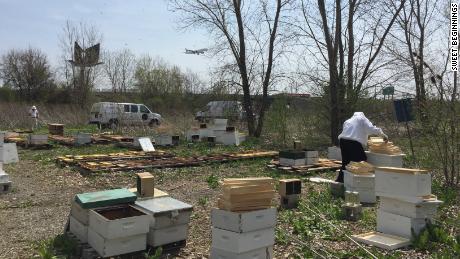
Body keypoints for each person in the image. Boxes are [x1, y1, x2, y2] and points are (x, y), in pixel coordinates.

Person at [336, 112, 388, 183]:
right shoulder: (362, 119)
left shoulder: (348, 121)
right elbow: (371, 129)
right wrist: (382, 134)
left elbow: (353, 132)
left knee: (346, 162)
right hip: (353, 142)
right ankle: (360, 183)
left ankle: (340, 181)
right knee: (361, 161)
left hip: (342, 141)